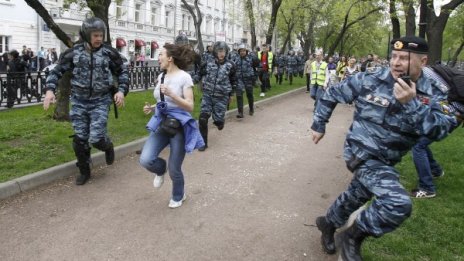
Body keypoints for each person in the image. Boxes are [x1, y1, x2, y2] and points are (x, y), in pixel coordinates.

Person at [311, 36, 457, 260]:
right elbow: (331, 94)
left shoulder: (435, 92)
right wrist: (319, 125)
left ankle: (328, 224)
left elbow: (439, 131)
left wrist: (412, 104)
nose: (396, 62)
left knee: (357, 195)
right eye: (394, 56)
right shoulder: (371, 78)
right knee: (396, 203)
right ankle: (351, 237)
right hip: (361, 152)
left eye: (404, 58)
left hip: (389, 158)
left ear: (423, 61)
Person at [43, 17, 129, 185]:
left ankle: (107, 145)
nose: (99, 39)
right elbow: (56, 72)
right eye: (95, 35)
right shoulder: (73, 53)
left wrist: (121, 91)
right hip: (79, 101)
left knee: (96, 138)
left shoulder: (109, 53)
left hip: (100, 101)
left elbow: (122, 71)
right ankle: (85, 170)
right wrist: (49, 90)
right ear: (86, 34)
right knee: (80, 140)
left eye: (101, 35)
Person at [139, 43, 204, 209]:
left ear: (170, 58)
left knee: (175, 168)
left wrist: (172, 94)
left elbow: (190, 106)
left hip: (179, 125)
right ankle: (160, 170)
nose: (158, 58)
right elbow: (163, 101)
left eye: (161, 55)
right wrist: (152, 107)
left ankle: (178, 195)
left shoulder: (184, 77)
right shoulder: (162, 76)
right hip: (162, 122)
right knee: (146, 159)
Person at [197, 41, 237, 151]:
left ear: (226, 52)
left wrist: (231, 94)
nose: (221, 53)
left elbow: (234, 80)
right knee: (202, 119)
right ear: (215, 52)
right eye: (219, 51)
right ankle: (203, 143)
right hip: (208, 95)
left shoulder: (231, 65)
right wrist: (189, 82)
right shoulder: (208, 63)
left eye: (223, 51)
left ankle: (220, 122)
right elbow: (199, 73)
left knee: (218, 122)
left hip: (222, 97)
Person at [234, 43, 259, 117]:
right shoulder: (236, 59)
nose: (242, 52)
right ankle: (240, 112)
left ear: (246, 51)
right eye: (241, 51)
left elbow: (258, 64)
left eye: (244, 51)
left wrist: (255, 76)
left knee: (249, 95)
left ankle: (251, 109)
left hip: (248, 79)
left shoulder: (251, 58)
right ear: (239, 52)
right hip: (239, 80)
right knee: (239, 95)